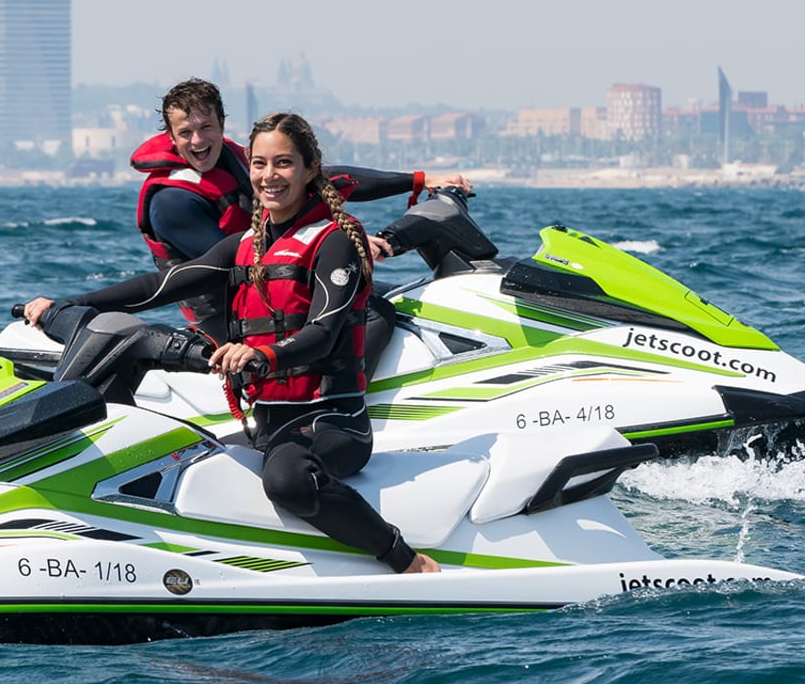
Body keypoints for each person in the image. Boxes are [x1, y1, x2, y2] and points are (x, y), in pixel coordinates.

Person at [25, 112, 441, 575]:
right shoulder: (246, 245)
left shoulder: (335, 240)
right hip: (266, 423)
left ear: (310, 169)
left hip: (332, 423)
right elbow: (159, 286)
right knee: (163, 464)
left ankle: (405, 559)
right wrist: (68, 304)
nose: (269, 175)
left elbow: (322, 335)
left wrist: (262, 354)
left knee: (286, 482)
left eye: (283, 163)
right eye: (259, 164)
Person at [131, 77, 472, 342]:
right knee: (375, 314)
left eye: (206, 127)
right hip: (233, 319)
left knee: (409, 300)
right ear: (171, 138)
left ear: (221, 124)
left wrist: (419, 180)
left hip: (285, 286)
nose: (197, 140)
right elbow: (241, 257)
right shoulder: (172, 202)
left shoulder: (239, 161)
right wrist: (338, 243)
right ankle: (337, 403)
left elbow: (328, 180)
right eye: (186, 132)